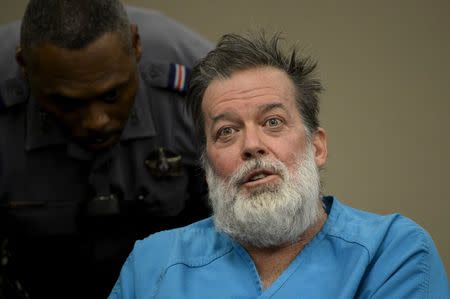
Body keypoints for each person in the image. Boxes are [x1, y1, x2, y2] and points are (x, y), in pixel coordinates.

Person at [109, 31, 449, 298]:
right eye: (226, 131)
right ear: (207, 166)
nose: (252, 146)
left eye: (272, 122)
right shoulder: (153, 264)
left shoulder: (392, 253)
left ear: (317, 147)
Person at [0, 1, 212, 298]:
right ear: (25, 68)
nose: (96, 122)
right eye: (68, 103)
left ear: (136, 46)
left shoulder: (200, 83)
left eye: (112, 94)